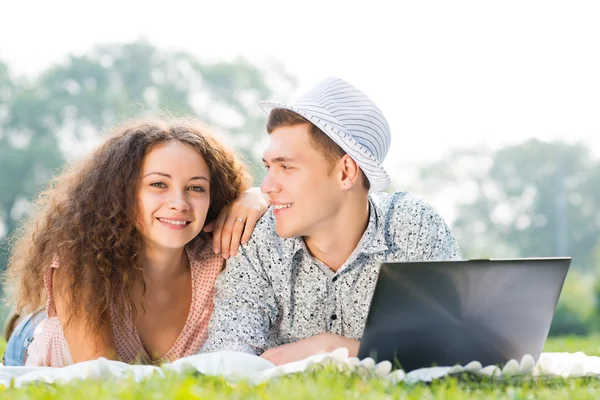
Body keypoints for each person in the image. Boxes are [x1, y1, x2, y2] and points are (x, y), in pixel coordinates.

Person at [202, 77, 462, 365]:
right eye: (268, 167)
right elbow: (226, 360)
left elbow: (454, 348)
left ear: (346, 172)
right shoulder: (257, 238)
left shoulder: (412, 228)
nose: (266, 186)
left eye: (286, 167)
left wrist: (333, 350)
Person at [2, 116, 268, 367]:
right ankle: (26, 322)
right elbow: (104, 379)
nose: (179, 203)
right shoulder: (81, 265)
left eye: (196, 188)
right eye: (158, 185)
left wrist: (258, 197)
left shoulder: (221, 259)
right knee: (36, 327)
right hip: (33, 346)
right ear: (122, 194)